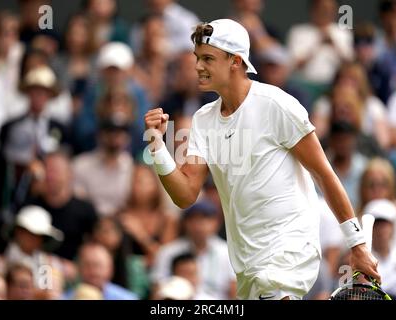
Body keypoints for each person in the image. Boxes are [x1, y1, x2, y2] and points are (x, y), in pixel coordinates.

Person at [144, 18, 380, 300]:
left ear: (234, 61)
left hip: (288, 252)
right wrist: (158, 147)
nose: (197, 66)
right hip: (247, 264)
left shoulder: (276, 104)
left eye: (207, 58)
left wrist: (357, 245)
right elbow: (185, 195)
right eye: (197, 58)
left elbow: (324, 175)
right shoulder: (203, 120)